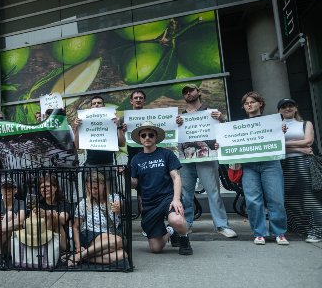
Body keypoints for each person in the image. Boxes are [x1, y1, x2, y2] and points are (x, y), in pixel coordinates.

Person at [175, 84, 237, 238]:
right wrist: (174, 126)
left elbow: (225, 133)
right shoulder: (180, 117)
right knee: (185, 194)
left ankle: (222, 225)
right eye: (185, 92)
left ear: (199, 92)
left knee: (213, 192)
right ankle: (187, 224)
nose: (188, 93)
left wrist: (221, 120)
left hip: (207, 157)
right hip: (186, 159)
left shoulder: (212, 114)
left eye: (191, 90)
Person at [130, 121, 193, 255]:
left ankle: (183, 238)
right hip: (149, 202)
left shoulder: (167, 154)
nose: (147, 137)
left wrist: (176, 199)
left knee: (176, 219)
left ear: (156, 137)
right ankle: (171, 231)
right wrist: (125, 175)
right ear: (140, 139)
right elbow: (134, 183)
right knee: (155, 249)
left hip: (167, 197)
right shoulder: (136, 159)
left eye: (151, 135)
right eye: (144, 135)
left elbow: (176, 177)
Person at [240, 92, 289, 245]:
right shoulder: (238, 126)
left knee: (276, 199)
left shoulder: (273, 122)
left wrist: (281, 132)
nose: (249, 105)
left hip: (271, 163)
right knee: (253, 200)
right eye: (246, 103)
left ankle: (279, 232)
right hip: (249, 165)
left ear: (260, 104)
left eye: (253, 102)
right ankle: (259, 232)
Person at [278, 98, 321, 243]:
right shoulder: (277, 125)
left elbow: (308, 141)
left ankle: (316, 230)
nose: (287, 108)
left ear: (296, 108)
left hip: (303, 163)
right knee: (290, 199)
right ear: (279, 110)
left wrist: (285, 144)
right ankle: (300, 229)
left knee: (309, 197)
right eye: (284, 107)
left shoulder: (305, 124)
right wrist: (297, 148)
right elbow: (274, 144)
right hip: (284, 163)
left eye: (290, 106)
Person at [68, 171, 127, 266]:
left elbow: (122, 203)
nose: (93, 191)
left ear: (103, 185)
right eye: (90, 188)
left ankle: (83, 257)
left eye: (95, 188)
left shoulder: (113, 198)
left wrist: (119, 206)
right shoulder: (84, 203)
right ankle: (80, 256)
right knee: (118, 241)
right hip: (91, 234)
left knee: (122, 255)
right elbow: (75, 227)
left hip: (110, 234)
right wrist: (78, 245)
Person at [72, 95, 125, 165]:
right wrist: (76, 128)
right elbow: (77, 146)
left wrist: (118, 126)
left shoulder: (112, 121)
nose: (96, 105)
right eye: (94, 103)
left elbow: (122, 144)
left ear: (104, 106)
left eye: (99, 103)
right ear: (91, 107)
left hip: (108, 164)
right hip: (91, 165)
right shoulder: (84, 122)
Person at [37, 174, 73, 254]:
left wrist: (48, 213)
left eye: (47, 186)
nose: (44, 189)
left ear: (55, 188)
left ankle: (44, 250)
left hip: (62, 242)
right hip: (42, 235)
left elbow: (63, 219)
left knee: (54, 218)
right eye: (42, 187)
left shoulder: (63, 203)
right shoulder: (39, 204)